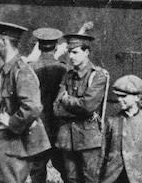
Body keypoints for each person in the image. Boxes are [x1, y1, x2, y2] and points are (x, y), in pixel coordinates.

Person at [0, 21, 50, 183]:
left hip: (14, 143)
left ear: (4, 41)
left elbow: (33, 106)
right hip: (5, 141)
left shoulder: (21, 70)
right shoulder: (8, 69)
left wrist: (11, 122)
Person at [54, 32, 109, 183]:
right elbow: (57, 107)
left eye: (75, 52)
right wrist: (75, 106)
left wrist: (67, 100)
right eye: (70, 52)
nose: (71, 56)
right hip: (67, 137)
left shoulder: (98, 75)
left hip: (88, 139)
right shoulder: (68, 75)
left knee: (90, 178)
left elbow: (87, 106)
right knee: (70, 178)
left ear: (86, 52)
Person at [100, 74, 142, 183]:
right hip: (114, 178)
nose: (120, 100)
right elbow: (102, 155)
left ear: (137, 97)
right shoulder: (111, 121)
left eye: (124, 96)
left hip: (139, 178)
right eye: (118, 96)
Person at [29, 28, 67, 183]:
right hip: (59, 125)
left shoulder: (31, 69)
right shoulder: (64, 69)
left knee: (37, 167)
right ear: (56, 47)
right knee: (65, 167)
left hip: (39, 125)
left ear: (38, 46)